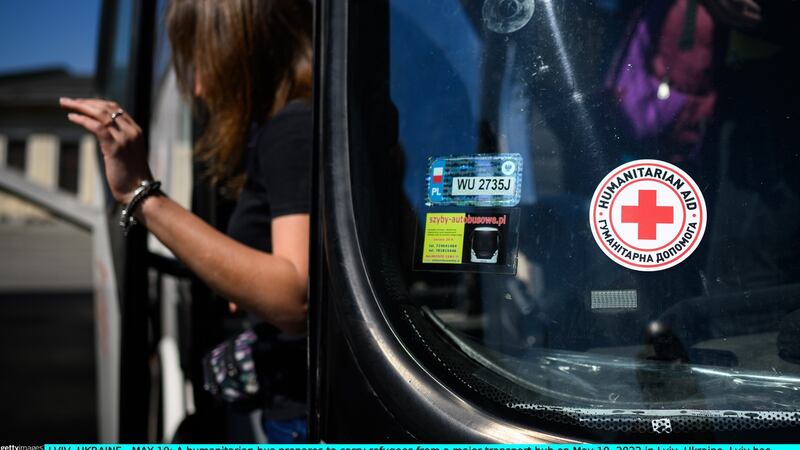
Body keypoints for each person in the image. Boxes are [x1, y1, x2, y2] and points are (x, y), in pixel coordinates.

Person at [60, 0, 312, 442]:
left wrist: (140, 194)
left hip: (300, 416)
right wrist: (246, 282)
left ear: (240, 48)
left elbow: (295, 297)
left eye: (200, 60)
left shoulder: (292, 129)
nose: (196, 87)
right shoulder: (300, 123)